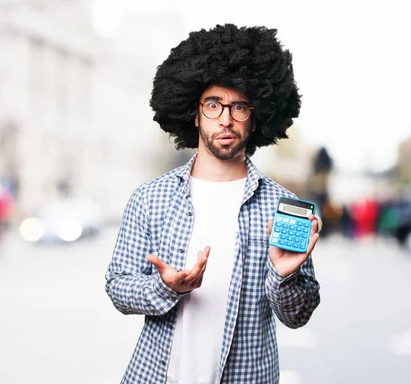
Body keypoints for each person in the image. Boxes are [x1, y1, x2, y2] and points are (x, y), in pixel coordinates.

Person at [105, 24, 321, 384]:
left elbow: (297, 316)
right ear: (195, 114)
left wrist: (287, 275)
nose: (225, 118)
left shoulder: (281, 207)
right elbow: (118, 287)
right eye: (213, 105)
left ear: (255, 119)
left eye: (239, 107)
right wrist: (167, 287)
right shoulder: (150, 199)